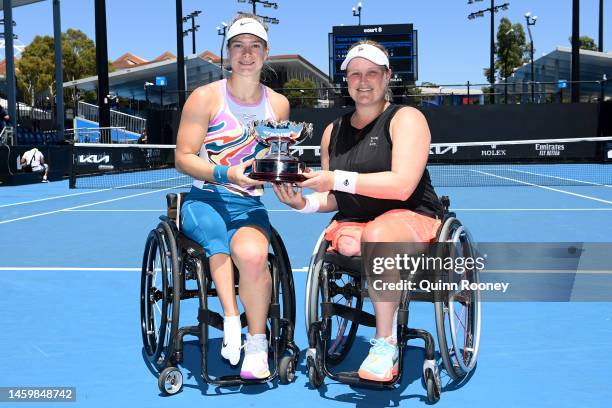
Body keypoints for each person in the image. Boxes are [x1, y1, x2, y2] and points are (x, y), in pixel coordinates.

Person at [273, 40, 443, 382]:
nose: (363, 82)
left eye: (371, 73)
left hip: (412, 216)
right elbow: (335, 198)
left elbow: (401, 186)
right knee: (350, 244)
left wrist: (335, 177)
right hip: (356, 220)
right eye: (354, 75)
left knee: (377, 236)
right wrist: (302, 203)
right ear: (346, 80)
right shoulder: (332, 131)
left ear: (387, 76)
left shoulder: (406, 118)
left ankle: (384, 343)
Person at [174, 14, 289, 380]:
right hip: (204, 199)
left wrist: (282, 176)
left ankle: (257, 343)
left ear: (266, 53)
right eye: (238, 46)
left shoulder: (279, 105)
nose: (246, 54)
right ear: (228, 52)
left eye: (255, 46)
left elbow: (272, 156)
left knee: (254, 256)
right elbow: (183, 158)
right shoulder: (205, 97)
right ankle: (231, 320)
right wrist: (226, 172)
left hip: (248, 203)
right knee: (217, 244)